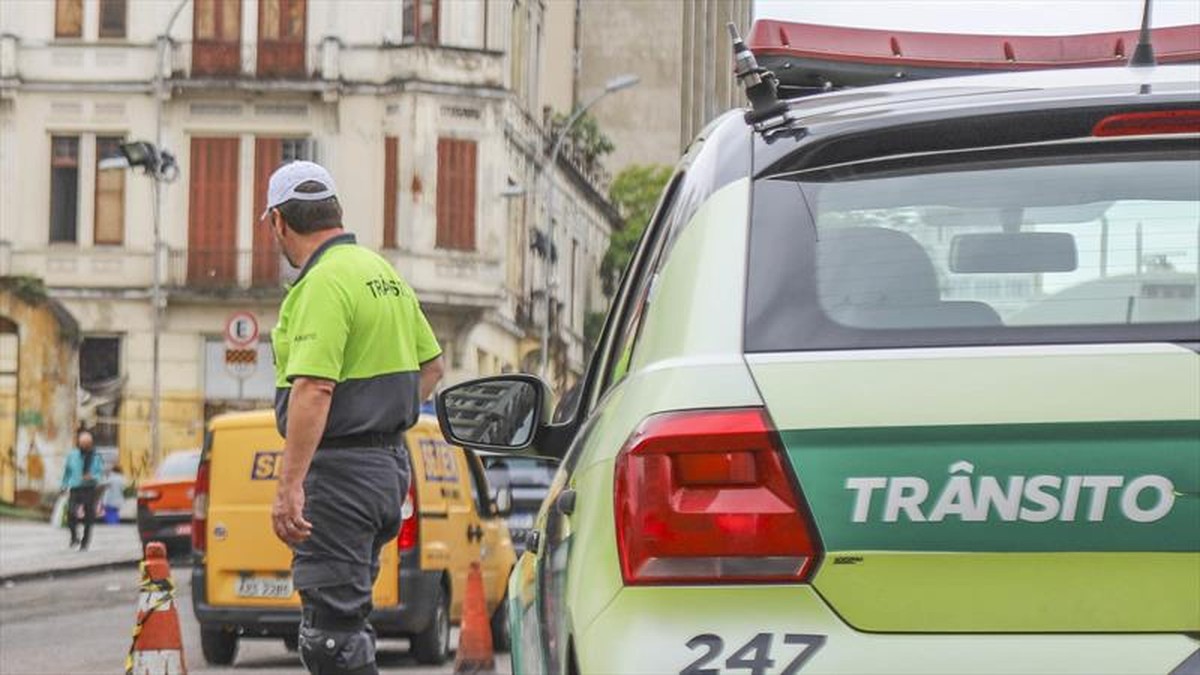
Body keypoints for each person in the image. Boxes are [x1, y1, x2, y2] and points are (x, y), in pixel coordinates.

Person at [263, 160, 444, 675]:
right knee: (347, 622)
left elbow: (314, 389)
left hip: (340, 475)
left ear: (279, 221)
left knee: (331, 637)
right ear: (335, 211)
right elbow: (431, 367)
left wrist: (289, 486)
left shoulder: (323, 282)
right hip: (386, 469)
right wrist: (379, 410)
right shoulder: (381, 273)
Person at [59, 430, 104, 550]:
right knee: (70, 513)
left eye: (87, 443)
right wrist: (63, 485)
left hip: (90, 488)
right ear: (79, 443)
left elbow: (101, 474)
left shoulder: (96, 456)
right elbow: (67, 472)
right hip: (75, 487)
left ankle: (85, 541)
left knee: (89, 516)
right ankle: (74, 536)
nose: (84, 446)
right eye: (82, 443)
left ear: (91, 443)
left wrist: (93, 477)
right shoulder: (72, 455)